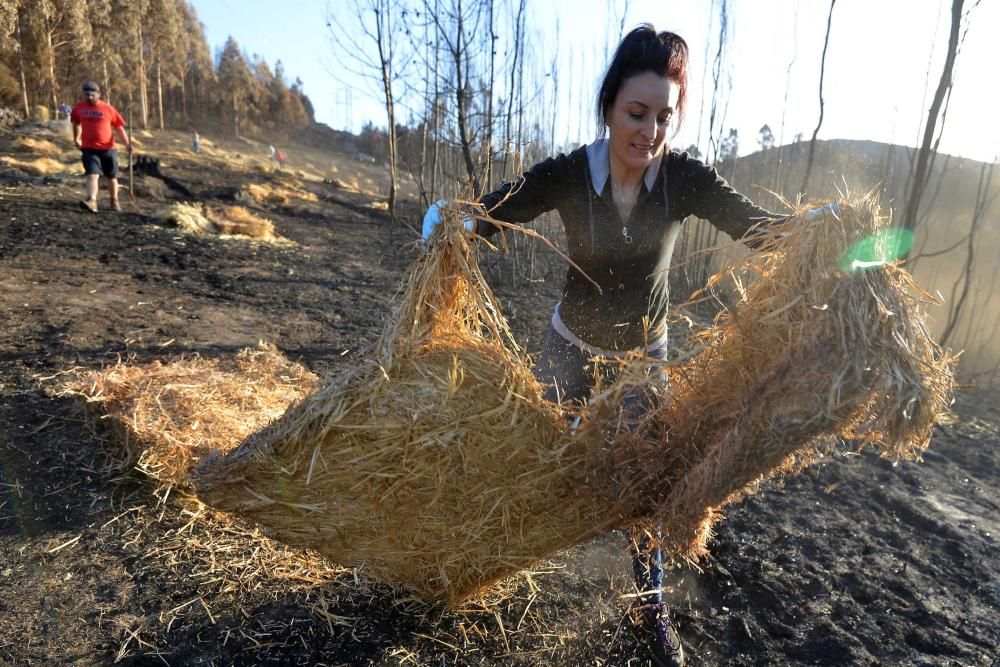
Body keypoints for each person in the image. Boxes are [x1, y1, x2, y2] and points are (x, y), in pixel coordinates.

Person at [422, 25, 829, 667]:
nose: (650, 131)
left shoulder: (683, 180)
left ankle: (650, 606)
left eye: (664, 116)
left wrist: (810, 232)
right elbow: (498, 212)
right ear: (610, 106)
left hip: (644, 362)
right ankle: (479, 568)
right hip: (568, 346)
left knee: (650, 487)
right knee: (533, 459)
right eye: (637, 113)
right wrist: (453, 220)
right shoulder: (566, 174)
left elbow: (757, 229)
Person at [70, 81, 131, 213]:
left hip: (108, 149)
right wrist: (76, 138)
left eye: (92, 95)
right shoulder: (79, 108)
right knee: (92, 174)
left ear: (98, 94)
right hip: (89, 148)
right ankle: (92, 200)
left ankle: (114, 201)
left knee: (111, 177)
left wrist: (127, 144)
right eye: (86, 95)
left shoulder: (108, 109)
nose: (89, 97)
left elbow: (119, 128)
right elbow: (76, 123)